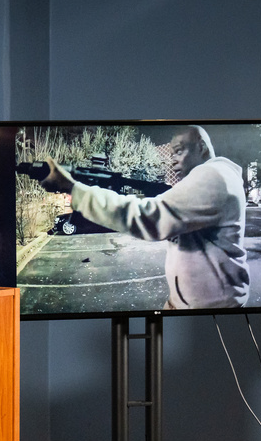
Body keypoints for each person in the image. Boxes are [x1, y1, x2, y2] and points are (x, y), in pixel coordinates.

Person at [39, 125, 250, 309]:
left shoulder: (212, 176)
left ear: (202, 146)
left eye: (178, 151)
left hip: (210, 309)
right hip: (191, 304)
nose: (172, 159)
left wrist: (74, 190)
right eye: (171, 154)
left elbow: (149, 217)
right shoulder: (207, 178)